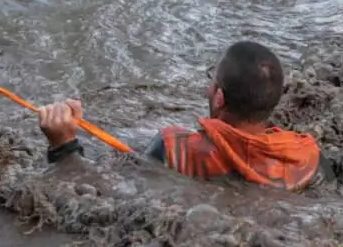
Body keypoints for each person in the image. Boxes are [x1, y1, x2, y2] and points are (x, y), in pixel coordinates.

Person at [37, 41, 325, 191]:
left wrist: (64, 147)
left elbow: (105, 194)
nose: (208, 86)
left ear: (219, 97)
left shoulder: (172, 148)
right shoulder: (308, 157)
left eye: (212, 80)